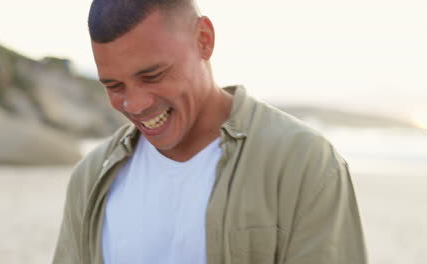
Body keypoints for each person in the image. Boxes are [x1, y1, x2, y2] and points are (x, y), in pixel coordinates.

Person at [53, 0, 367, 263]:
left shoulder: (303, 163)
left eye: (152, 76)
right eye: (114, 86)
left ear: (204, 39)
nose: (135, 104)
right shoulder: (91, 177)